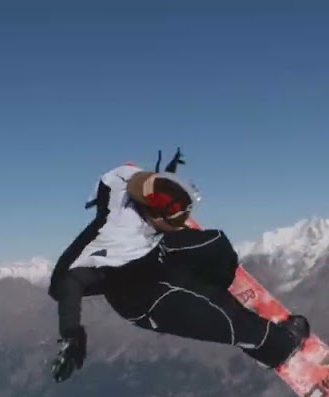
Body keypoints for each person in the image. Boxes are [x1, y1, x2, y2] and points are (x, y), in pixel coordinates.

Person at [46, 149, 310, 383]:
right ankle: (275, 347)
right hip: (142, 298)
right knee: (218, 314)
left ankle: (212, 283)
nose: (182, 215)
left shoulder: (127, 179)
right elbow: (65, 283)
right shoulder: (113, 242)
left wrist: (167, 174)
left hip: (157, 256)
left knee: (216, 244)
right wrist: (72, 334)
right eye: (172, 212)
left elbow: (147, 184)